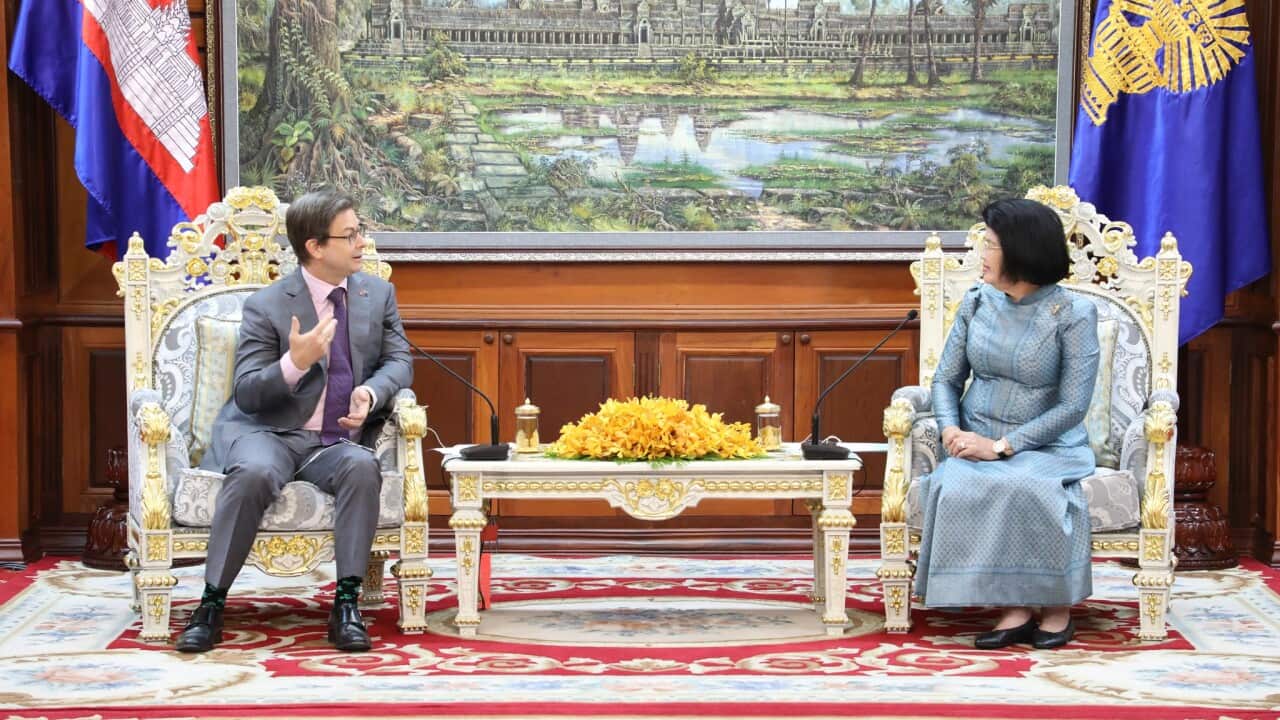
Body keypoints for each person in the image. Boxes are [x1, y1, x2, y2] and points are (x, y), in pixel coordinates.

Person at [176, 190, 413, 653]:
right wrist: (295, 363)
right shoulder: (267, 305)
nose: (362, 242)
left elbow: (399, 360)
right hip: (268, 432)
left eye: (360, 231)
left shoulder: (376, 294)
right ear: (315, 247)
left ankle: (346, 606)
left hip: (333, 441)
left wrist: (371, 392)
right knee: (254, 473)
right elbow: (248, 392)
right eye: (350, 235)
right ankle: (211, 605)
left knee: (362, 468)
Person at [914, 197, 1099, 650]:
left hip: (1046, 446)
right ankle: (1014, 606)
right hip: (972, 438)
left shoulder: (1073, 315)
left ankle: (1055, 607)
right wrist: (950, 430)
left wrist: (1001, 447)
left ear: (1021, 251)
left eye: (990, 244)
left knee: (1028, 487)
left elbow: (1072, 406)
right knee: (955, 484)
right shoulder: (977, 302)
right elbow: (945, 380)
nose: (981, 253)